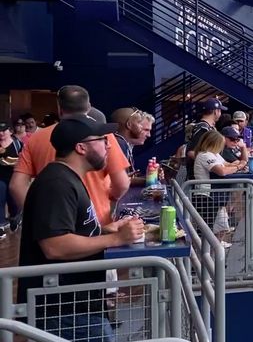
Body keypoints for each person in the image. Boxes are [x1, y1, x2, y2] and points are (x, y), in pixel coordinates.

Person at [17, 115, 144, 342]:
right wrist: (115, 239)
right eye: (104, 141)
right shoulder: (57, 182)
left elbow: (75, 230)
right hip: (65, 302)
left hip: (74, 301)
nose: (110, 147)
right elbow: (55, 245)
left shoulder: (69, 179)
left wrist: (107, 228)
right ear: (82, 147)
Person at [11, 86, 130, 227]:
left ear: (60, 110)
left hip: (54, 223)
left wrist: (38, 215)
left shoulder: (36, 139)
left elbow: (16, 186)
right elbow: (121, 183)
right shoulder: (101, 135)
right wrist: (111, 198)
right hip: (95, 220)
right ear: (89, 107)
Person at [192, 131, 247, 237]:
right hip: (205, 195)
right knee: (207, 230)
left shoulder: (214, 154)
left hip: (215, 196)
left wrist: (237, 164)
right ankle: (206, 252)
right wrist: (238, 167)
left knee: (222, 227)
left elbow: (226, 164)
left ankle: (215, 251)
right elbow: (221, 171)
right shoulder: (205, 155)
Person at [185, 98, 227, 179]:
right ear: (216, 111)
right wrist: (212, 164)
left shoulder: (207, 127)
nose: (220, 113)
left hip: (206, 174)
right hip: (199, 177)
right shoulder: (202, 128)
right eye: (220, 111)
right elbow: (191, 152)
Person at [111, 108, 154, 186]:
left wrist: (150, 177)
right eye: (145, 130)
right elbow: (118, 182)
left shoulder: (125, 144)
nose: (149, 135)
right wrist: (149, 180)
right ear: (129, 125)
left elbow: (126, 177)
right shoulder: (118, 143)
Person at [0, 123, 23, 234]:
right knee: (0, 198)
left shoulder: (18, 144)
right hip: (0, 177)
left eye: (4, 130)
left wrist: (12, 162)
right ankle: (1, 224)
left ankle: (15, 219)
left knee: (13, 200)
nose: (1, 133)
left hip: (14, 176)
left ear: (10, 131)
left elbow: (23, 159)